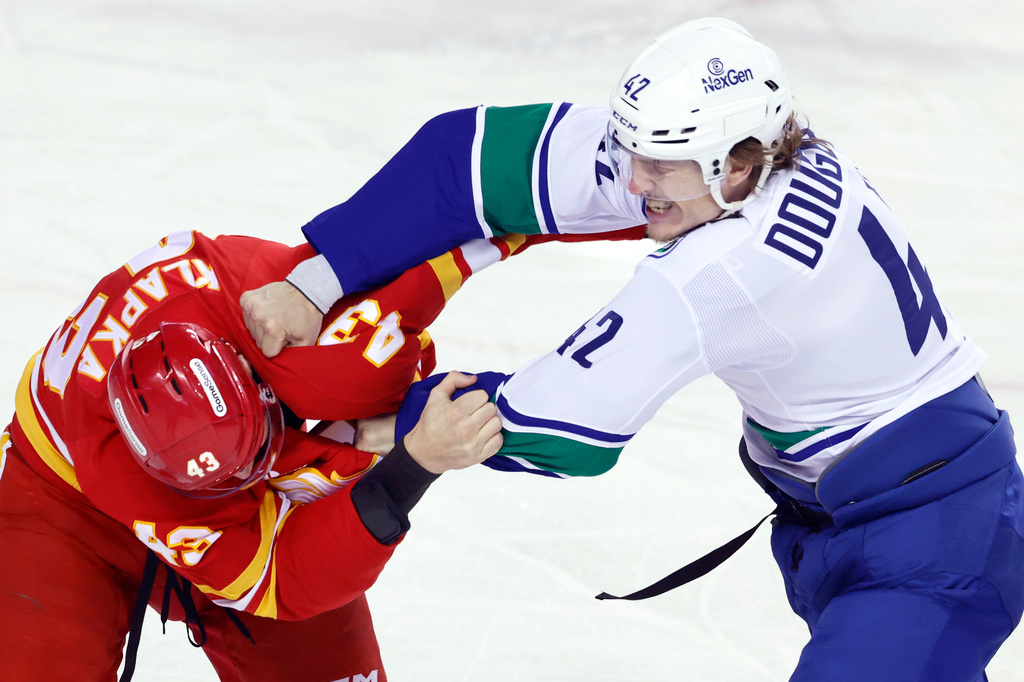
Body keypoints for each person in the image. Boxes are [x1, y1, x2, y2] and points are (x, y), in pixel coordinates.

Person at [241, 17, 1024, 682]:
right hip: (895, 507)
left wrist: (380, 415)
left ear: (738, 164)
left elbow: (560, 431)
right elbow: (470, 160)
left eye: (657, 163)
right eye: (632, 150)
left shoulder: (727, 269)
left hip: (932, 544)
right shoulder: (767, 162)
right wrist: (318, 276)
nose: (632, 180)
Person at [0, 228, 515, 682]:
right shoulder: (129, 473)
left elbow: (404, 282)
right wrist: (412, 464)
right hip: (63, 514)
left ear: (249, 361)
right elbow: (284, 577)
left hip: (222, 486)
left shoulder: (264, 294)